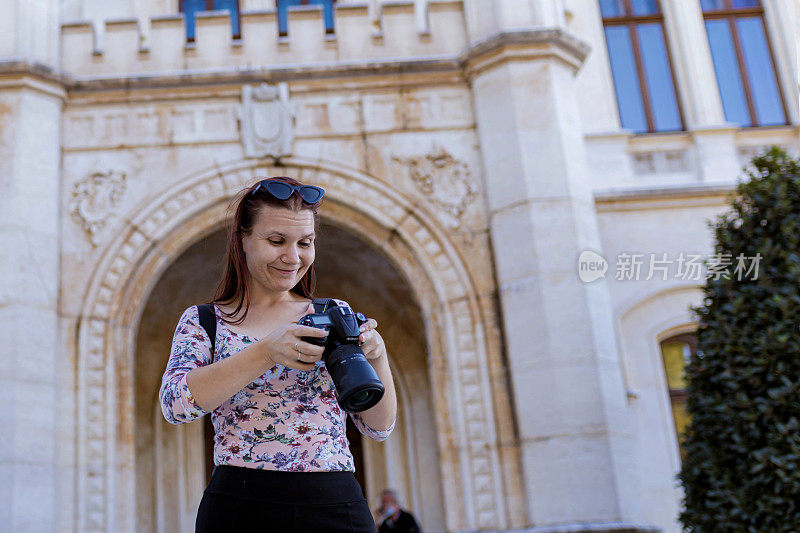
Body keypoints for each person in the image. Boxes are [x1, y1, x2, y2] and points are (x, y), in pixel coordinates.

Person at [158, 176, 397, 533]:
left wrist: (378, 357)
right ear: (243, 240)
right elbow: (175, 405)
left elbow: (378, 426)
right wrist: (267, 351)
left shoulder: (333, 312)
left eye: (305, 242)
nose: (293, 256)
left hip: (336, 504)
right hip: (240, 507)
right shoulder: (204, 321)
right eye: (276, 241)